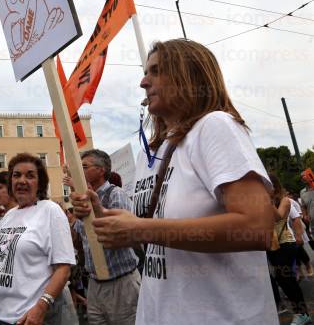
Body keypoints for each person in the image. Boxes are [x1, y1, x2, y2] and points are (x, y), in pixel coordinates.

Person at [71, 39, 278, 324]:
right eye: (146, 72)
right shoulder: (153, 153)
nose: (144, 82)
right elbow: (153, 228)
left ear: (188, 76)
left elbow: (258, 227)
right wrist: (104, 216)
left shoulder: (215, 126)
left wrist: (144, 229)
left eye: (156, 71)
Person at [0, 153, 76, 324]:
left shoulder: (50, 211)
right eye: (16, 175)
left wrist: (41, 307)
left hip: (30, 317)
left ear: (40, 183)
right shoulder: (8, 216)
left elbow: (63, 268)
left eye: (30, 175)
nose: (22, 180)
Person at [69, 149, 140, 324]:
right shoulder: (82, 199)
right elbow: (78, 241)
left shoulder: (116, 194)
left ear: (101, 170)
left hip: (121, 283)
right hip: (94, 283)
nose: (79, 170)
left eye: (84, 166)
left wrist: (95, 209)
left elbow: (119, 236)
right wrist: (75, 217)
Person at [267, 173, 310, 321]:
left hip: (286, 243)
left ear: (273, 186)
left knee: (287, 279)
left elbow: (278, 216)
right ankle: (301, 313)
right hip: (271, 246)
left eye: (267, 185)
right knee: (283, 279)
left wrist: (268, 201)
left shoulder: (285, 200)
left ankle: (302, 314)